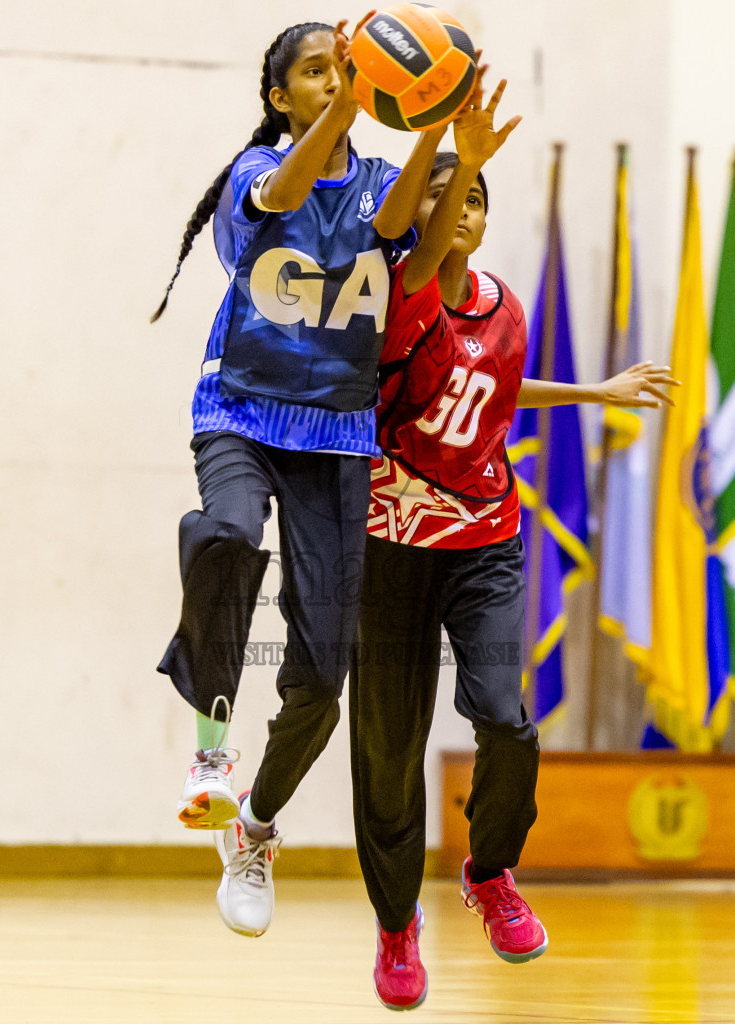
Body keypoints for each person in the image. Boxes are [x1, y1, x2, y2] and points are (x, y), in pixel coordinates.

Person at [352, 127, 677, 1009]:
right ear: (419, 212)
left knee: (505, 719)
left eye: (477, 199)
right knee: (387, 751)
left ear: (487, 223)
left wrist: (591, 392)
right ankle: (394, 925)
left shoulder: (505, 308)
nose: (460, 210)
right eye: (441, 195)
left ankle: (489, 873)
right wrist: (443, 142)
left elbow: (491, 391)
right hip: (389, 545)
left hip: (483, 540)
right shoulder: (396, 297)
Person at [149, 19, 448, 939]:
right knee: (229, 535)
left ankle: (256, 826)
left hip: (336, 435)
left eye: (340, 70)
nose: (331, 82)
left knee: (323, 673)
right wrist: (355, 101)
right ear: (281, 97)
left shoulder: (374, 191)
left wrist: (444, 135)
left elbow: (410, 243)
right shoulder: (255, 177)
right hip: (239, 410)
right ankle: (210, 756)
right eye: (314, 73)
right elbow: (283, 188)